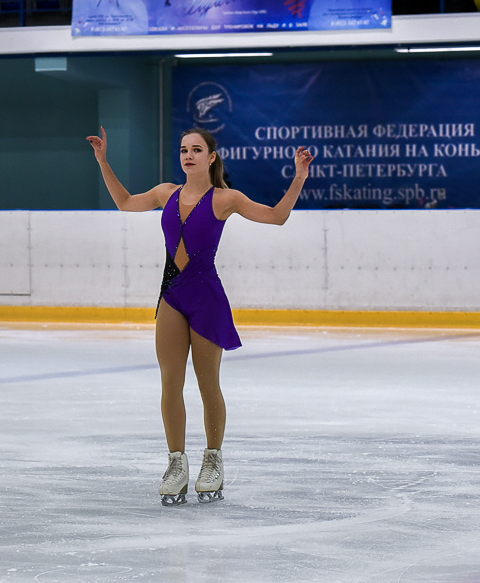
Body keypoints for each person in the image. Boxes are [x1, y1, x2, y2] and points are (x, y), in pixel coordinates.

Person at [86, 126, 313, 506]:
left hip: (206, 298)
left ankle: (213, 460)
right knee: (170, 383)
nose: (187, 155)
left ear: (210, 158)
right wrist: (103, 161)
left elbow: (276, 217)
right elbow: (125, 202)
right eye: (183, 149)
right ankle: (176, 464)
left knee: (209, 385)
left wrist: (299, 177)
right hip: (172, 296)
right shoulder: (165, 194)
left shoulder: (226, 198)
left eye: (196, 150)